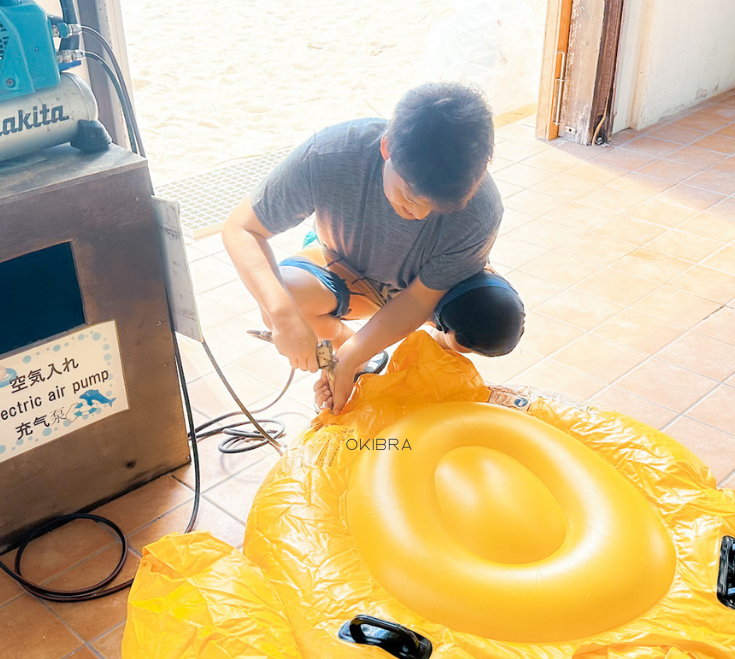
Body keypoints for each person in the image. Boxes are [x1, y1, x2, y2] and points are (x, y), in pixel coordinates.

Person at [221, 82, 525, 413]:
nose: (419, 213)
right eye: (409, 195)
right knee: (277, 298)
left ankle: (435, 344)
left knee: (495, 321)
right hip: (345, 269)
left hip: (428, 291)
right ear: (386, 148)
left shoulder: (482, 209)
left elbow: (418, 299)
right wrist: (285, 319)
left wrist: (351, 359)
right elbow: (241, 228)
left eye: (438, 207)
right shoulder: (329, 155)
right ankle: (342, 338)